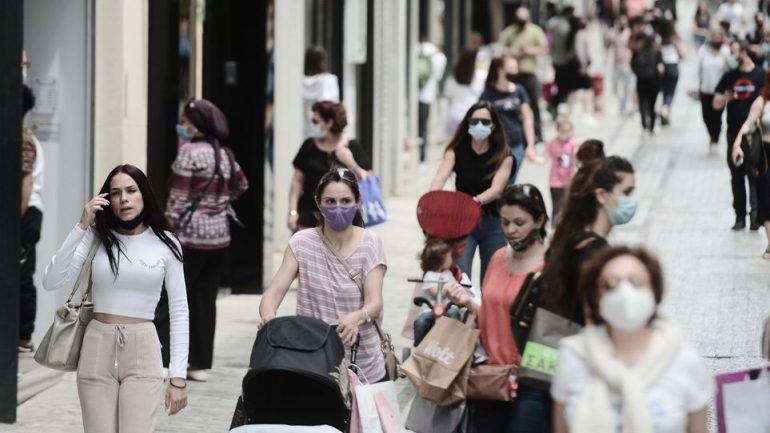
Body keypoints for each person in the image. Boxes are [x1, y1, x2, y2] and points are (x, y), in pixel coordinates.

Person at [42, 164, 189, 432]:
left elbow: (180, 311)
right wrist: (81, 225)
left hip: (143, 349)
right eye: (116, 192)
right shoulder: (96, 237)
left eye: (131, 190)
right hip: (97, 346)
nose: (124, 198)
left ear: (144, 194)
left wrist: (178, 377)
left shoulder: (166, 243)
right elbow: (52, 281)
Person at [552, 246, 713, 433]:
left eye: (636, 282)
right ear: (595, 296)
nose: (625, 292)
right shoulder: (573, 356)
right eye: (610, 284)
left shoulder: (684, 361)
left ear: (654, 290)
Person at [259, 169, 387, 382]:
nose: (338, 207)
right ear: (318, 202)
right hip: (313, 361)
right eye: (330, 201)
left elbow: (374, 303)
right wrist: (268, 317)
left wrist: (356, 317)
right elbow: (273, 293)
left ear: (357, 202)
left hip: (362, 365)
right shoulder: (302, 243)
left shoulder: (371, 243)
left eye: (346, 201)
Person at [443, 184, 551, 432]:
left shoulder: (552, 266)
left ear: (539, 220)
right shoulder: (497, 258)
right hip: (489, 376)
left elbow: (554, 331)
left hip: (530, 381)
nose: (511, 230)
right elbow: (492, 316)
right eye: (504, 222)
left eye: (519, 222)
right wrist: (468, 303)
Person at [165, 99, 248, 382]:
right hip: (219, 236)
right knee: (204, 300)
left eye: (186, 120)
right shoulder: (224, 154)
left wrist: (168, 223)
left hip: (189, 236)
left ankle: (167, 359)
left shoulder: (189, 152)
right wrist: (218, 202)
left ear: (196, 123)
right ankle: (198, 364)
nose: (183, 125)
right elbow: (241, 184)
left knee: (173, 295)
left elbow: (178, 196)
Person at [540, 155, 636, 326]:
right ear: (601, 195)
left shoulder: (570, 238)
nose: (632, 201)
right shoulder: (595, 253)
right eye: (626, 192)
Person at [430, 101, 515, 282]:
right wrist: (431, 202)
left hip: (493, 222)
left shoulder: (504, 155)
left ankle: (485, 311)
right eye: (474, 121)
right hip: (462, 221)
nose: (479, 126)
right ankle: (463, 310)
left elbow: (497, 189)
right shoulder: (455, 151)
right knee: (461, 278)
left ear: (493, 126)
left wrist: (473, 202)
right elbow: (439, 178)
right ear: (467, 123)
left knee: (492, 280)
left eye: (485, 122)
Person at [289, 101, 371, 232]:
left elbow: (368, 179)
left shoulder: (352, 146)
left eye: (316, 121)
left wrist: (351, 163)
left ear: (330, 123)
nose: (312, 125)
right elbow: (297, 181)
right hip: (308, 217)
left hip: (343, 220)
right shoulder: (309, 146)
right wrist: (292, 212)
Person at [714, 39, 764, 230]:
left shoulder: (760, 75)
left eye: (734, 53)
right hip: (733, 132)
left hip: (754, 134)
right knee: (736, 175)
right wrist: (725, 97)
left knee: (754, 174)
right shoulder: (729, 77)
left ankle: (755, 215)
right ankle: (740, 216)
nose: (731, 57)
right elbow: (715, 103)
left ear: (743, 52)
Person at [480, 55, 543, 183]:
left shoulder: (519, 90)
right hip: (495, 145)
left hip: (516, 144)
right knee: (496, 182)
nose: (516, 71)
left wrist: (530, 145)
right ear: (500, 70)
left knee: (510, 181)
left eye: (516, 67)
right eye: (512, 68)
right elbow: (481, 119)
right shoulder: (488, 93)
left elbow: (527, 118)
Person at [409, 237, 478, 346]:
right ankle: (419, 345)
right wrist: (445, 289)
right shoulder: (429, 275)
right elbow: (435, 291)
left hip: (447, 307)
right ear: (441, 259)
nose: (452, 259)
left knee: (454, 314)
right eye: (449, 256)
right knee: (421, 321)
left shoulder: (449, 274)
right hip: (431, 309)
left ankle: (454, 342)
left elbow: (455, 287)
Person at [730, 69, 770, 258]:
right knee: (766, 198)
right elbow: (747, 124)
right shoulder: (762, 102)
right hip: (765, 155)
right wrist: (737, 143)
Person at [19, 83, 44, 353]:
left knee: (23, 274)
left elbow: (25, 183)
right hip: (23, 213)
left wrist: (16, 222)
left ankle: (23, 337)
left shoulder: (23, 139)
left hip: (25, 214)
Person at [500, 6, 548, 142]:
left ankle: (537, 132)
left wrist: (527, 50)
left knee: (533, 104)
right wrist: (513, 52)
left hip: (529, 73)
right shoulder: (510, 31)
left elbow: (543, 48)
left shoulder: (535, 31)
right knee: (512, 103)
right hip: (513, 74)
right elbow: (502, 48)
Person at [418, 36, 448, 164]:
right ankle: (422, 159)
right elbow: (438, 77)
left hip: (413, 95)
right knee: (423, 127)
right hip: (427, 95)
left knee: (419, 128)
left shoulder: (418, 50)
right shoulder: (440, 57)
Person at [443, 49, 486, 137]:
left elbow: (449, 99)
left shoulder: (453, 77)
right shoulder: (481, 75)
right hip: (473, 114)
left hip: (454, 115)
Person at [698, 31, 728, 151]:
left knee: (717, 116)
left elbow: (729, 69)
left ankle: (715, 138)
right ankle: (711, 134)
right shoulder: (703, 51)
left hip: (720, 91)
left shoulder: (725, 51)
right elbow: (698, 69)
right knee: (706, 116)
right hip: (705, 89)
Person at [303, 45, 340, 140]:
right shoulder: (329, 80)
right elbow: (332, 107)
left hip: (302, 132)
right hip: (323, 134)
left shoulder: (299, 81)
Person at [546, 118, 578, 221]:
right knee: (556, 207)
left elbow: (575, 159)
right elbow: (543, 159)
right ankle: (554, 229)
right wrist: (532, 155)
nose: (565, 134)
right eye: (563, 131)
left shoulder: (574, 143)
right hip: (555, 181)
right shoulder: (551, 143)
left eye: (568, 131)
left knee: (569, 207)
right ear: (557, 130)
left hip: (569, 181)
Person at [631, 33, 663, 135]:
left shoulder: (637, 52)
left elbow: (632, 65)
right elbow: (661, 69)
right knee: (652, 105)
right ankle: (652, 126)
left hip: (641, 81)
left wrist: (638, 74)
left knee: (642, 103)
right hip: (653, 82)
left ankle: (644, 123)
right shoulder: (657, 53)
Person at [548, 6, 577, 111]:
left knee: (559, 83)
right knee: (563, 86)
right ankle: (554, 104)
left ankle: (555, 104)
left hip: (556, 58)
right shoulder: (565, 26)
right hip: (562, 59)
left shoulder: (553, 23)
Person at [658, 19, 686, 126]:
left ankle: (666, 113)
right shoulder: (675, 40)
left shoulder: (659, 40)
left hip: (662, 67)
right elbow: (683, 53)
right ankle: (665, 108)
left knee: (665, 91)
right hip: (673, 67)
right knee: (671, 91)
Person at [608, 15, 636, 116]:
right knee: (615, 88)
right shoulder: (614, 33)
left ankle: (628, 105)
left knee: (628, 86)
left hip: (627, 64)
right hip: (616, 64)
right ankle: (622, 103)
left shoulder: (629, 33)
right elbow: (609, 44)